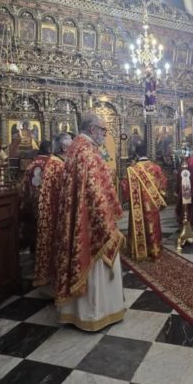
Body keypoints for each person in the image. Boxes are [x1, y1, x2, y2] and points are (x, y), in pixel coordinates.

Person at [53, 113, 125, 331]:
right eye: (103, 130)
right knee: (94, 262)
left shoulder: (75, 149)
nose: (105, 134)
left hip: (78, 217)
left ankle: (75, 312)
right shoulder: (88, 152)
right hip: (91, 221)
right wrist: (106, 222)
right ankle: (97, 313)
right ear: (93, 129)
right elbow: (95, 192)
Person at [33, 132, 72, 288]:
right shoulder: (57, 165)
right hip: (56, 214)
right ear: (63, 147)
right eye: (71, 141)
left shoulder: (56, 162)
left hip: (54, 211)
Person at [124, 145, 167, 261]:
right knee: (154, 224)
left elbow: (126, 188)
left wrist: (129, 199)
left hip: (138, 204)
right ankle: (155, 248)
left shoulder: (133, 169)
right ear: (147, 154)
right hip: (153, 202)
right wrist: (159, 193)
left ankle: (140, 250)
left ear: (137, 155)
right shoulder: (156, 167)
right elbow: (163, 182)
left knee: (140, 224)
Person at [19, 140, 52, 254]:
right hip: (46, 205)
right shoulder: (51, 164)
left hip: (30, 205)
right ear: (49, 150)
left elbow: (24, 186)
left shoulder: (31, 164)